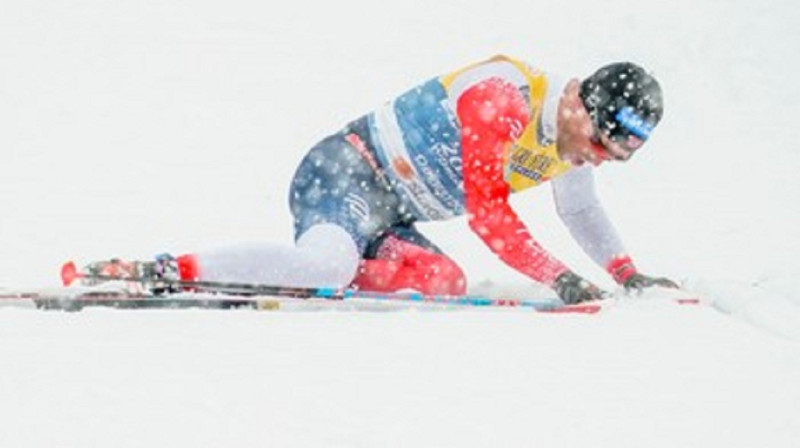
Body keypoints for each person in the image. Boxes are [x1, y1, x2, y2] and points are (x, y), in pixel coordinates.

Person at [76, 55, 678, 304]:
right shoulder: (506, 100)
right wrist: (561, 279)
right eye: (601, 143)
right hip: (346, 171)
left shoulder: (571, 146)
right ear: (578, 102)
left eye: (617, 157)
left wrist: (628, 274)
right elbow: (490, 216)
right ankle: (166, 269)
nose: (598, 159)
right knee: (327, 267)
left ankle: (299, 278)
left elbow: (581, 211)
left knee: (443, 281)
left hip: (391, 213)